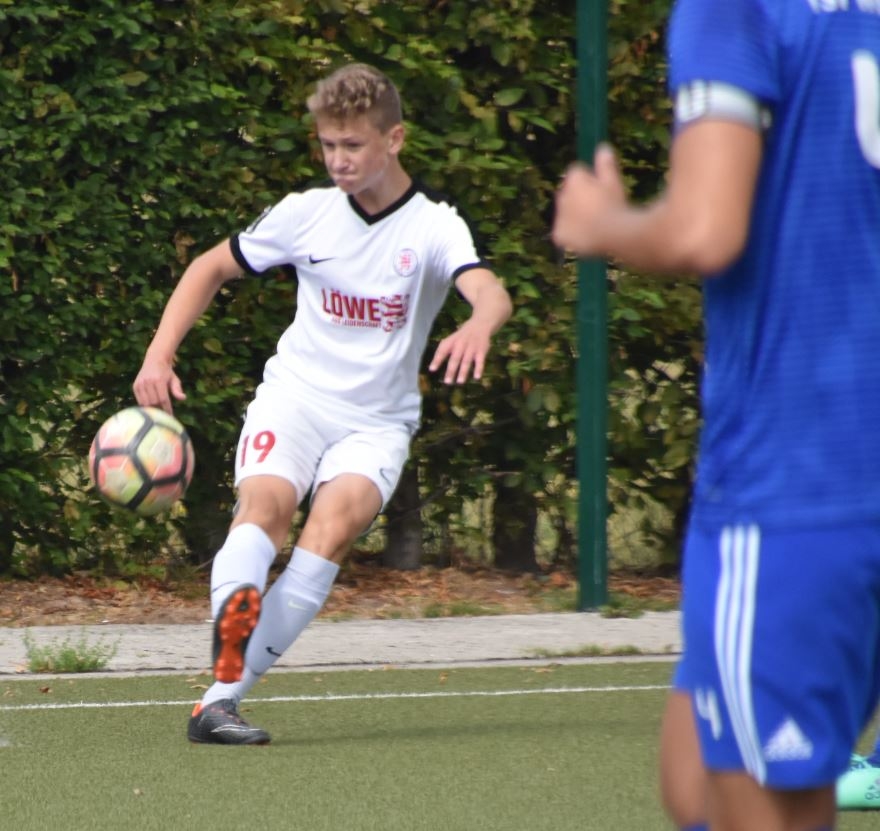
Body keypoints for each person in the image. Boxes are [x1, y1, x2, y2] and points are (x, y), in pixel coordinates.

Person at [553, 1, 880, 829]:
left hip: (799, 483)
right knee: (693, 778)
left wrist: (602, 222)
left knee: (768, 809)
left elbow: (705, 230)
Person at [133, 63, 513, 745]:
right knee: (265, 508)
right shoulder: (304, 213)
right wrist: (158, 355)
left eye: (353, 145)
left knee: (330, 532)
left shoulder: (434, 227)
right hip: (296, 400)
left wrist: (480, 323)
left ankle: (218, 701)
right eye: (329, 145)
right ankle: (231, 636)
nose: (338, 160)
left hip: (377, 422)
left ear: (394, 139)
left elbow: (488, 289)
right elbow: (210, 266)